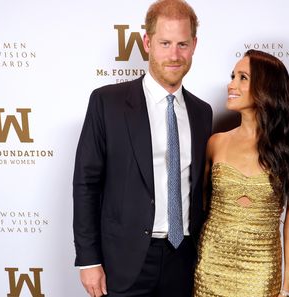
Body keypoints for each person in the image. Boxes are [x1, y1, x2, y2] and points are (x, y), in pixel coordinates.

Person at [72, 1, 212, 296]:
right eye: (165, 43)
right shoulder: (107, 102)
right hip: (123, 261)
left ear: (194, 45)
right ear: (147, 43)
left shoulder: (203, 112)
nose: (174, 55)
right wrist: (88, 259)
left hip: (185, 259)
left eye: (182, 44)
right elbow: (86, 183)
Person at [194, 49, 289, 297]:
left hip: (262, 269)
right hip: (211, 264)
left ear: (265, 87)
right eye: (232, 76)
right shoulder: (215, 142)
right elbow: (199, 207)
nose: (231, 84)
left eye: (242, 77)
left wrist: (287, 287)